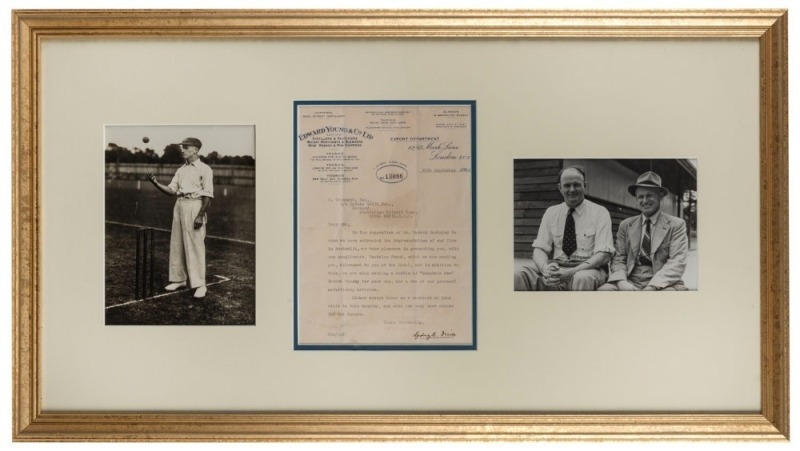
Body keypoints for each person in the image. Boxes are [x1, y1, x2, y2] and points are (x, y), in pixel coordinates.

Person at [514, 166, 614, 291]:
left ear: (585, 185)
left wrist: (571, 272)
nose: (572, 190)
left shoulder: (600, 212)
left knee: (582, 278)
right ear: (559, 187)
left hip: (588, 269)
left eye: (577, 185)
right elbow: (540, 248)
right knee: (519, 274)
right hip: (558, 268)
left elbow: (603, 255)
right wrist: (544, 269)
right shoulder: (551, 212)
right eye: (567, 185)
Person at [147, 137, 214, 298]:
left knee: (195, 246)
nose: (182, 149)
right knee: (177, 243)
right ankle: (179, 279)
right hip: (179, 205)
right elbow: (171, 190)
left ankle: (200, 284)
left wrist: (200, 215)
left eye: (186, 147)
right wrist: (156, 183)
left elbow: (208, 195)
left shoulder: (205, 169)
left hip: (195, 205)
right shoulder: (181, 170)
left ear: (196, 150)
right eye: (182, 147)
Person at [599, 171, 688, 291]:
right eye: (640, 196)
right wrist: (621, 281)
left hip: (663, 282)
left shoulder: (676, 225)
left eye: (649, 195)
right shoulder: (625, 225)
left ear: (660, 196)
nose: (645, 200)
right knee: (604, 291)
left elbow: (677, 262)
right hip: (630, 279)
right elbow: (619, 258)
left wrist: (652, 286)